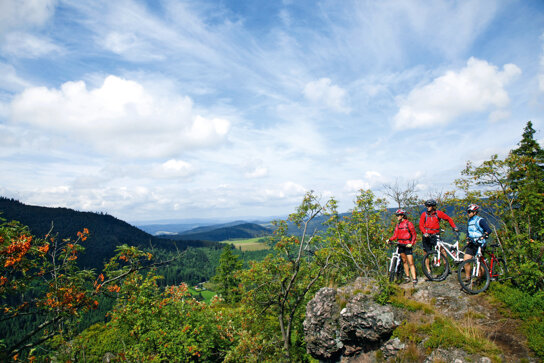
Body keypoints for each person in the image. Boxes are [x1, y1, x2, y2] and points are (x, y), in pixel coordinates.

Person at [419, 199, 458, 275]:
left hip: (435, 235)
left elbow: (448, 219)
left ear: (433, 206)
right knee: (426, 253)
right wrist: (424, 232)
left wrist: (454, 226)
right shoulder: (424, 214)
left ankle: (447, 268)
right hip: (426, 236)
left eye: (429, 206)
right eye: (427, 206)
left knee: (442, 251)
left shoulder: (438, 213)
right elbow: (420, 225)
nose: (427, 207)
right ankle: (428, 270)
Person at [462, 204, 492, 281]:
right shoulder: (469, 221)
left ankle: (479, 280)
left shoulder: (480, 220)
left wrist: (484, 235)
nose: (468, 213)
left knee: (478, 262)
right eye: (467, 212)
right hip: (472, 243)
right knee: (466, 260)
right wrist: (468, 237)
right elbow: (469, 231)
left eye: (469, 212)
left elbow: (488, 230)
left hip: (480, 243)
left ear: (474, 212)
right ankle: (467, 277)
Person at [388, 209, 418, 285]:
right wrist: (389, 239)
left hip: (407, 244)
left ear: (402, 216)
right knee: (404, 261)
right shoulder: (398, 225)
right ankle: (408, 277)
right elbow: (395, 235)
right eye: (397, 215)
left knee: (411, 262)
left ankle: (414, 278)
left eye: (398, 215)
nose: (397, 217)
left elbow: (414, 234)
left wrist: (412, 243)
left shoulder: (409, 224)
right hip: (400, 244)